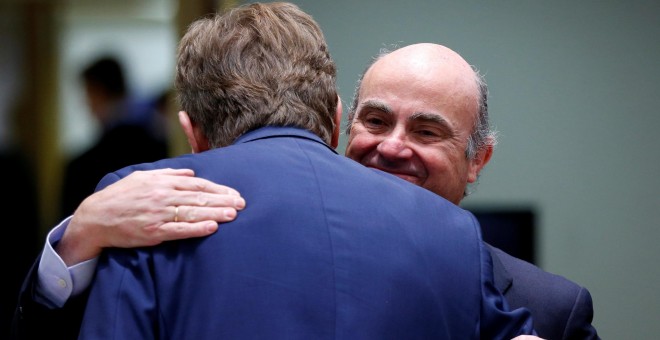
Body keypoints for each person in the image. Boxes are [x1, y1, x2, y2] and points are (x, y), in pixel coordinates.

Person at [15, 2, 537, 339]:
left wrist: (76, 239)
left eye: (426, 131)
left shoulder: (145, 208)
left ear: (191, 131)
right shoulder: (450, 230)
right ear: (336, 120)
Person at [59, 55, 169, 218]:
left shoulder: (81, 167)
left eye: (88, 93)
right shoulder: (163, 149)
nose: (85, 103)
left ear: (98, 92)